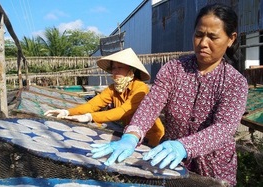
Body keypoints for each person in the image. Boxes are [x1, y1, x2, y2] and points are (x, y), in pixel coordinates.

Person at [91, 4, 248, 186]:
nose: (203, 43)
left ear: (231, 39)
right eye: (199, 35)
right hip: (171, 164)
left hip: (215, 170)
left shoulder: (235, 82)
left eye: (213, 37)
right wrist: (132, 135)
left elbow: (224, 128)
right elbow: (151, 105)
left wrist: (183, 146)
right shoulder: (174, 70)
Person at [44, 48, 165, 146]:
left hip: (151, 135)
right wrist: (67, 112)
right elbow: (92, 105)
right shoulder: (113, 89)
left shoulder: (140, 88)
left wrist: (90, 117)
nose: (115, 71)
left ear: (131, 70)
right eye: (113, 68)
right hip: (129, 133)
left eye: (120, 67)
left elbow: (123, 111)